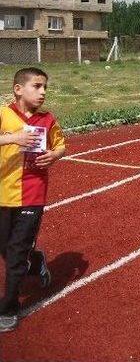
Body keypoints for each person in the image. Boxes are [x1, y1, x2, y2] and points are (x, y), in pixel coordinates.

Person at [0, 67, 66, 332]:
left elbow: (61, 144)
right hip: (3, 193)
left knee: (15, 253)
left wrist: (55, 155)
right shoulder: (3, 115)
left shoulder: (47, 119)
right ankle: (36, 262)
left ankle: (9, 307)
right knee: (4, 248)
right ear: (18, 89)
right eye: (37, 86)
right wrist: (12, 138)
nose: (43, 92)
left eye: (45, 88)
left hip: (32, 195)